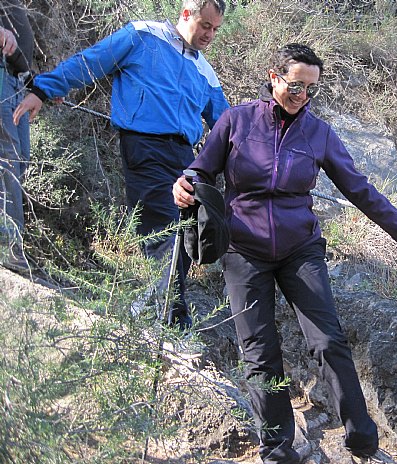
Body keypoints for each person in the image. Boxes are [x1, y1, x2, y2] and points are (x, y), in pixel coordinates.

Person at [172, 43, 397, 464]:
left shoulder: (319, 134)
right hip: (243, 251)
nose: (301, 95)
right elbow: (199, 170)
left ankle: (364, 445)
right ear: (274, 76)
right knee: (260, 355)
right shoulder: (236, 121)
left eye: (310, 89)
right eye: (295, 85)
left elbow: (361, 190)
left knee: (328, 343)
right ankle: (278, 455)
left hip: (301, 249)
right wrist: (185, 184)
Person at [13, 0, 230, 328]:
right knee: (164, 229)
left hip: (187, 161)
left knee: (191, 234)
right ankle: (172, 322)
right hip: (144, 149)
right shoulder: (143, 36)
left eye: (216, 30)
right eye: (205, 26)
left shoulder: (206, 72)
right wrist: (43, 90)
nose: (210, 35)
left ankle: (151, 304)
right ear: (187, 14)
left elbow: (229, 127)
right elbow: (91, 62)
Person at [1, 0, 35, 273]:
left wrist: (39, 88)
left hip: (17, 83)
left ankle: (14, 245)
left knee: (20, 160)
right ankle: (8, 247)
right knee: (7, 160)